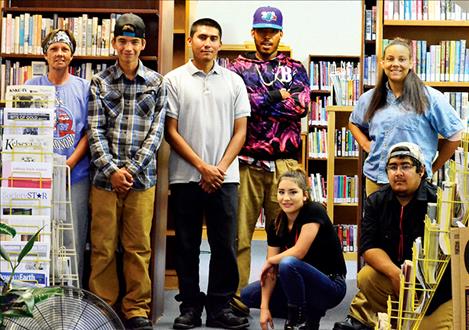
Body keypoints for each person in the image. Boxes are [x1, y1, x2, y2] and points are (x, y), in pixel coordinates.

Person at [165, 18, 251, 329]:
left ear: (219, 43)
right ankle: (189, 306)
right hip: (186, 176)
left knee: (224, 245)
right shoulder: (173, 80)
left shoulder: (234, 81)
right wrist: (203, 167)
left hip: (225, 178)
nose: (208, 43)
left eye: (214, 38)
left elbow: (241, 130)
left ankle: (219, 306)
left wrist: (219, 168)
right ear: (190, 41)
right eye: (202, 37)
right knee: (186, 245)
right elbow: (171, 132)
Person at [87, 13, 166, 330]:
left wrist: (129, 171)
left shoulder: (157, 83)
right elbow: (94, 131)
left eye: (134, 42)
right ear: (114, 43)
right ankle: (103, 307)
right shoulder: (100, 82)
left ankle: (136, 308)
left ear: (143, 44)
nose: (128, 47)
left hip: (142, 181)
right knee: (103, 248)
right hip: (104, 182)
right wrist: (112, 171)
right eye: (122, 41)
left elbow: (156, 134)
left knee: (137, 248)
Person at [228, 6, 311, 300]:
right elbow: (237, 107)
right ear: (253, 33)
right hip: (246, 163)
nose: (267, 37)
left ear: (280, 34)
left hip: (284, 165)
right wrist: (277, 96)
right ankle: (235, 298)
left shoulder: (296, 67)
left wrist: (258, 103)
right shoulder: (235, 69)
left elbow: (300, 106)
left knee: (288, 235)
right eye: (261, 31)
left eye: (272, 32)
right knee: (240, 235)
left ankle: (287, 296)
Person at [333, 142, 453, 330]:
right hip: (395, 282)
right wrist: (395, 274)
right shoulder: (376, 201)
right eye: (393, 167)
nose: (398, 173)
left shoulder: (438, 201)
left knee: (427, 326)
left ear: (421, 171)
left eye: (405, 166)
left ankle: (393, 319)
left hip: (434, 291)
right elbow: (368, 247)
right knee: (366, 276)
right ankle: (395, 317)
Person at [349, 37, 464, 197]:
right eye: (390, 59)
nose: (395, 64)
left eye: (402, 59)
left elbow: (455, 134)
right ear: (382, 63)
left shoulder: (430, 98)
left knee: (413, 223)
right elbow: (353, 123)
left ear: (411, 63)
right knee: (376, 223)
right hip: (376, 180)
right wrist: (365, 144)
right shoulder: (369, 98)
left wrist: (432, 166)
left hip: (414, 184)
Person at [241, 169, 347, 330]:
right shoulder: (276, 224)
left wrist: (271, 260)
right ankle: (310, 315)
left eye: (293, 192)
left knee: (288, 262)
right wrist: (264, 308)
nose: (286, 198)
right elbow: (271, 272)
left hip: (330, 284)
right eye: (281, 192)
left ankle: (297, 320)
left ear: (304, 195)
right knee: (248, 295)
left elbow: (299, 252)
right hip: (298, 281)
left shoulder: (314, 210)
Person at [26, 29, 90, 286]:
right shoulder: (32, 87)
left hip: (75, 175)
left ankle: (72, 293)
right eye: (54, 49)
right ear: (45, 54)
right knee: (41, 235)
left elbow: (89, 132)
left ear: (72, 55)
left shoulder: (84, 88)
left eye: (64, 49)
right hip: (39, 176)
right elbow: (23, 127)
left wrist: (70, 162)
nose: (59, 54)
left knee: (72, 237)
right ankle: (39, 292)